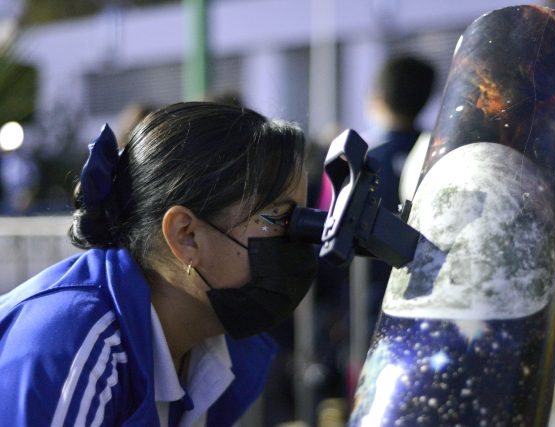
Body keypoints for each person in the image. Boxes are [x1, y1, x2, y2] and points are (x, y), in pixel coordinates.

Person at [0, 102, 318, 426]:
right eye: (279, 217)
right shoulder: (74, 348)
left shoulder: (216, 348)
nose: (300, 238)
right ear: (186, 236)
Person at [364, 54, 435, 337]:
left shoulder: (368, 161)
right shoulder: (436, 155)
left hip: (371, 301)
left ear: (378, 96)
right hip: (427, 296)